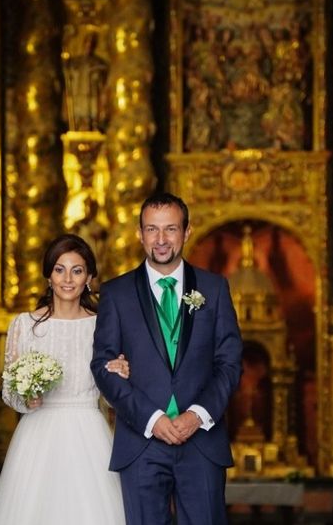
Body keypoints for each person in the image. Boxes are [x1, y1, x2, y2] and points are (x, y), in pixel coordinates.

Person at [91, 193, 243, 524]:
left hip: (202, 442)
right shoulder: (115, 293)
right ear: (139, 233)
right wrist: (151, 418)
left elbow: (229, 362)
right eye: (152, 230)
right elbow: (103, 366)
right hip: (141, 441)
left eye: (170, 229)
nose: (161, 240)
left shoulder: (214, 288)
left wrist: (196, 415)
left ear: (187, 232)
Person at [0, 234, 130, 525]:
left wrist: (120, 373)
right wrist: (27, 398)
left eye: (77, 271)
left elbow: (111, 395)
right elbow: (9, 392)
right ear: (48, 276)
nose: (67, 279)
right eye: (59, 269)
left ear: (89, 277)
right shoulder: (25, 326)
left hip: (89, 432)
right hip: (38, 434)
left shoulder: (102, 325)